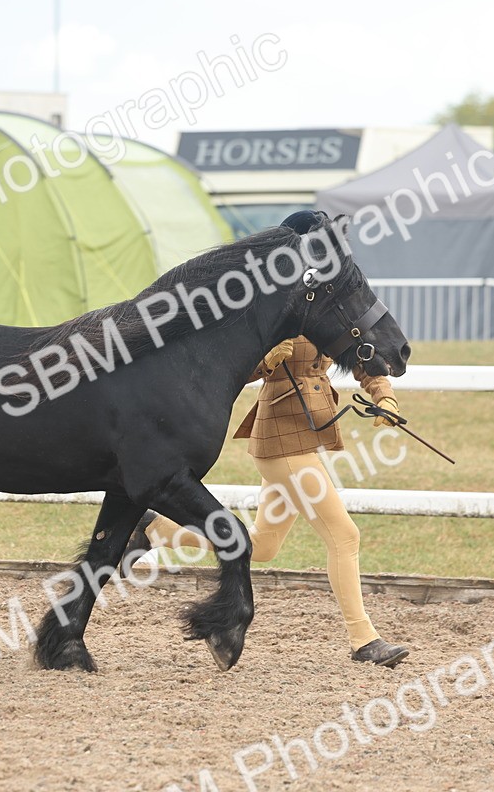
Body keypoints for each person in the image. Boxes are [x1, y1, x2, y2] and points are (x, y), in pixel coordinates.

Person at [122, 211, 410, 668]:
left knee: (264, 544)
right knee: (343, 535)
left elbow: (360, 353)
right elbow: (234, 365)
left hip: (305, 440)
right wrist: (265, 358)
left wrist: (385, 396)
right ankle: (364, 640)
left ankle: (157, 530)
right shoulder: (278, 308)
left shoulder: (323, 305)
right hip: (284, 442)